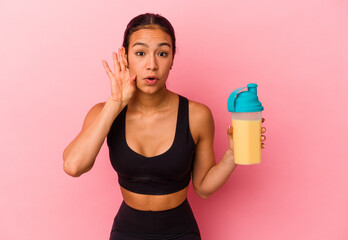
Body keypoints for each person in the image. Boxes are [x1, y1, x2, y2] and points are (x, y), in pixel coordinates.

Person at [62, 13, 266, 240]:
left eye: (162, 53)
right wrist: (115, 103)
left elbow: (203, 188)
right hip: (126, 232)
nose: (152, 65)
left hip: (181, 233)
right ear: (126, 57)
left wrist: (232, 155)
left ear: (173, 58)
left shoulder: (196, 115)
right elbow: (73, 166)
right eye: (140, 53)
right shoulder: (104, 113)